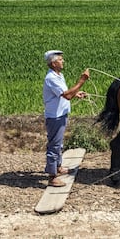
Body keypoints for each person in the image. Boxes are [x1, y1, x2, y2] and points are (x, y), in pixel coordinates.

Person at [42, 50, 89, 187]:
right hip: (55, 116)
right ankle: (52, 176)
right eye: (61, 60)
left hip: (61, 114)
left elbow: (65, 93)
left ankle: (58, 167)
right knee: (54, 145)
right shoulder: (51, 78)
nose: (63, 62)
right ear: (53, 62)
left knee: (59, 143)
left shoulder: (58, 75)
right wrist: (82, 81)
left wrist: (76, 93)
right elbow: (67, 95)